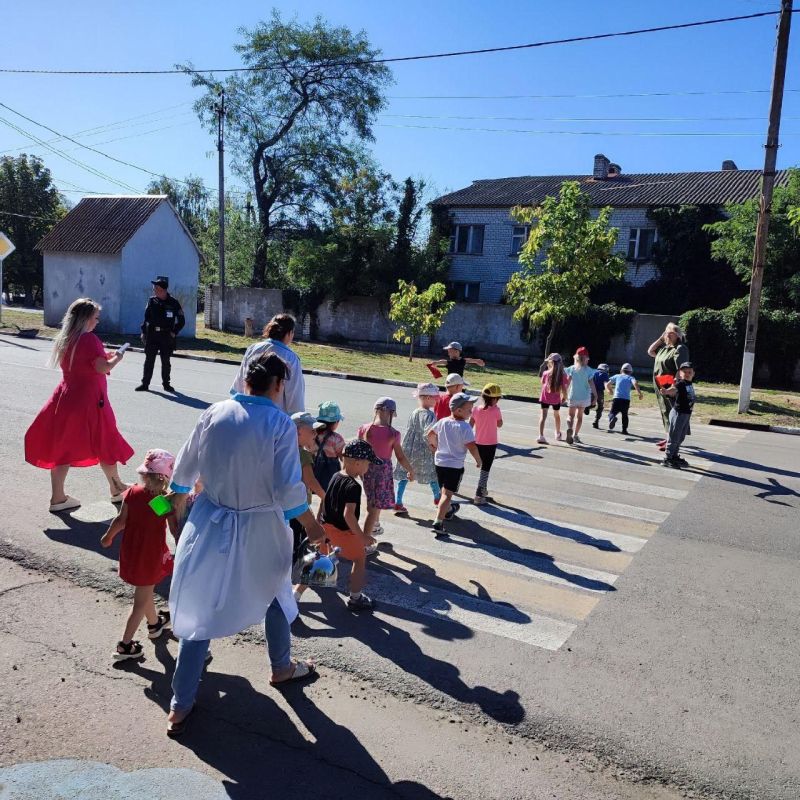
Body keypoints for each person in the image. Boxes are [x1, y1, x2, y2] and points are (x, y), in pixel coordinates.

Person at [164, 351, 326, 737]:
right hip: (259, 525)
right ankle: (281, 667)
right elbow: (290, 487)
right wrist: (313, 527)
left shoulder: (214, 412)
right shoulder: (279, 423)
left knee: (201, 604)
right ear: (279, 385)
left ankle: (179, 704)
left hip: (210, 520)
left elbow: (182, 476)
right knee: (274, 593)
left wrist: (170, 517)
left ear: (245, 381)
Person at [24, 298, 133, 512]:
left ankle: (58, 498)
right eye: (95, 318)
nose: (97, 322)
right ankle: (117, 489)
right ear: (85, 318)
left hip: (65, 398)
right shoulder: (89, 339)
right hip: (91, 401)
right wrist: (117, 357)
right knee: (106, 440)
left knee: (62, 447)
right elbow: (101, 368)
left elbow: (85, 364)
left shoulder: (66, 339)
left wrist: (103, 357)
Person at [100, 449, 177, 661]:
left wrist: (108, 537)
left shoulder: (133, 493)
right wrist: (182, 546)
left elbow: (120, 520)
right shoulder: (160, 502)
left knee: (145, 591)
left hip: (132, 553)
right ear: (164, 479)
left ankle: (154, 625)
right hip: (148, 557)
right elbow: (174, 529)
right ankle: (125, 645)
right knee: (140, 602)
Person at [319, 439, 381, 611]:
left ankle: (297, 593)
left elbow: (325, 501)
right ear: (357, 462)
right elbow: (348, 515)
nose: (368, 468)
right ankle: (355, 598)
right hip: (344, 532)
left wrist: (319, 521)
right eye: (368, 464)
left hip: (327, 528)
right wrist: (362, 536)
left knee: (323, 560)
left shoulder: (335, 476)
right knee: (359, 559)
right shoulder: (353, 486)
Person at [426, 393, 482, 539]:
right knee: (447, 494)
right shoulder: (465, 427)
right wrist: (478, 460)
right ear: (458, 411)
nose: (471, 411)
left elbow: (430, 434)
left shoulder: (443, 421)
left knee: (443, 490)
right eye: (469, 409)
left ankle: (449, 509)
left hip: (439, 463)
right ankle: (438, 521)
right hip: (455, 466)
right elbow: (472, 447)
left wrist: (434, 446)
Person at [357, 397, 414, 540]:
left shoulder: (365, 428)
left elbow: (357, 450)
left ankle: (374, 525)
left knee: (371, 499)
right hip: (383, 471)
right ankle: (368, 534)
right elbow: (400, 457)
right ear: (391, 413)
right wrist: (410, 470)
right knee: (376, 503)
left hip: (365, 468)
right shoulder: (393, 433)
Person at [230, 313, 305, 414]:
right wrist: (296, 418)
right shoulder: (291, 358)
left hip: (247, 412)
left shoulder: (253, 348)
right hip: (274, 418)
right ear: (289, 333)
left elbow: (240, 382)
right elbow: (295, 395)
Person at [290, 411, 326, 603]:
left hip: (278, 509)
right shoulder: (302, 454)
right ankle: (291, 589)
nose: (315, 434)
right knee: (299, 549)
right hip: (298, 509)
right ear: (296, 432)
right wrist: (325, 495)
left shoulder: (278, 449)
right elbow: (310, 480)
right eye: (311, 430)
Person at [393, 383, 441, 516]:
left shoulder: (415, 412)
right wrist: (434, 447)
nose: (436, 400)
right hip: (424, 450)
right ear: (425, 397)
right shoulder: (429, 415)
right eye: (434, 397)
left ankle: (398, 501)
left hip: (409, 448)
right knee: (432, 474)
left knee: (405, 474)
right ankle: (438, 498)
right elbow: (428, 433)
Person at [135, 276, 185, 393]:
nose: (154, 290)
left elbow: (182, 320)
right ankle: (145, 384)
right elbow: (146, 318)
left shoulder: (174, 303)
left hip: (166, 336)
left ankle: (166, 384)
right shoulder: (152, 301)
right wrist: (143, 332)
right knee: (149, 360)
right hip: (152, 335)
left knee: (165, 361)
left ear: (163, 290)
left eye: (156, 288)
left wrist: (174, 332)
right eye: (154, 289)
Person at [647, 322, 690, 451]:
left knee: (674, 414)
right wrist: (661, 339)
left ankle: (673, 442)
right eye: (666, 332)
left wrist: (674, 387)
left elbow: (681, 369)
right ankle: (669, 438)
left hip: (671, 386)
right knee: (666, 413)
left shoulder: (680, 348)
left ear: (677, 335)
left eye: (671, 333)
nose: (668, 335)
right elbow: (650, 351)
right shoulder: (665, 348)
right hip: (661, 385)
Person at [470, 383, 503, 505]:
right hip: (491, 444)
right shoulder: (496, 410)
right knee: (485, 469)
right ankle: (479, 494)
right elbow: (499, 424)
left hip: (478, 443)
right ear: (494, 399)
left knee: (482, 465)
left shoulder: (475, 409)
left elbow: (470, 425)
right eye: (498, 399)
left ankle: (483, 490)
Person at [660, 362, 696, 469]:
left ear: (693, 373)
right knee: (674, 436)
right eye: (684, 372)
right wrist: (666, 391)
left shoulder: (689, 384)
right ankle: (667, 458)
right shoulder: (680, 383)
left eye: (689, 372)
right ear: (680, 374)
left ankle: (674, 455)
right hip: (678, 414)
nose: (687, 374)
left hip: (686, 414)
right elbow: (673, 390)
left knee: (680, 437)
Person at [565, 347, 597, 445]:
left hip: (573, 396)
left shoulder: (572, 369)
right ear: (586, 358)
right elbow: (592, 384)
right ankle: (575, 435)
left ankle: (569, 428)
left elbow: (567, 383)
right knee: (580, 417)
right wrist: (595, 396)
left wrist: (564, 393)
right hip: (584, 398)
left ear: (576, 358)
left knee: (570, 416)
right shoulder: (589, 371)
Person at [313, 401, 346, 491]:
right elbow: (344, 457)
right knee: (328, 495)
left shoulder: (312, 435)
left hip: (313, 471)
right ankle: (323, 504)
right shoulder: (337, 439)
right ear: (335, 422)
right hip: (330, 473)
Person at [537, 353, 569, 444]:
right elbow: (564, 388)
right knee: (556, 415)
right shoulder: (563, 375)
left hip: (545, 397)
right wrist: (564, 397)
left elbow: (542, 382)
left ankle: (541, 436)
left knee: (543, 416)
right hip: (556, 399)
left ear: (550, 362)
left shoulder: (546, 373)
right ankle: (558, 433)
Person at [606, 363, 644, 434]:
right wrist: (639, 393)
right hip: (626, 400)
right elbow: (635, 383)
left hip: (616, 398)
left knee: (612, 412)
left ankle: (612, 418)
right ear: (631, 372)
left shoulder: (617, 376)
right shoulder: (630, 377)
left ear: (621, 370)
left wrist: (610, 390)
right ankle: (624, 430)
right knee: (624, 415)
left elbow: (608, 384)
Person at [588, 363, 610, 429]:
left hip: (592, 391)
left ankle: (588, 407)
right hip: (600, 392)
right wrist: (608, 389)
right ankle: (596, 421)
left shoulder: (594, 373)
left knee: (591, 404)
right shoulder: (605, 374)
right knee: (600, 406)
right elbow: (606, 383)